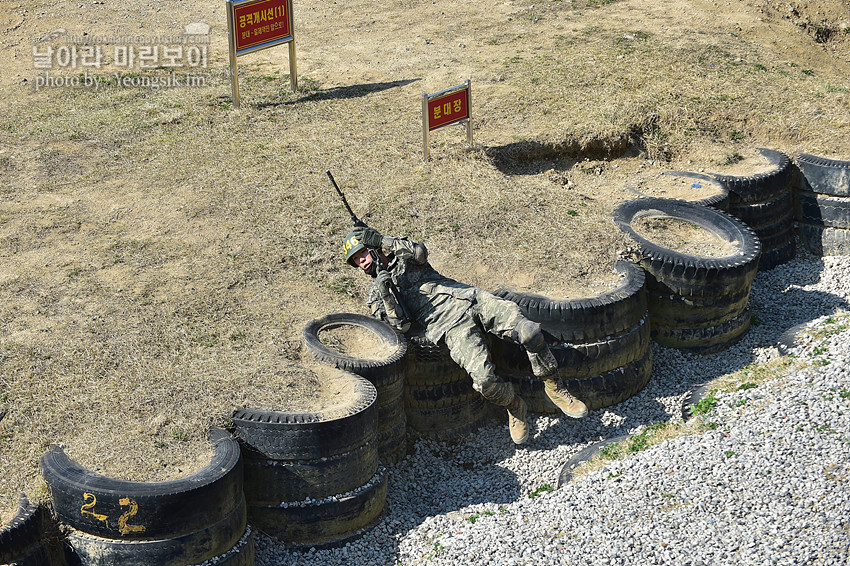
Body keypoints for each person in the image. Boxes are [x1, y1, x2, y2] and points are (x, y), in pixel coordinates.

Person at [342, 225, 588, 445]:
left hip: (473, 300)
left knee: (530, 331)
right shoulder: (376, 295)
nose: (362, 262)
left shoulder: (402, 256)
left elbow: (420, 253)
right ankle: (515, 406)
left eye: (362, 253)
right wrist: (386, 293)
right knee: (484, 382)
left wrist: (382, 239)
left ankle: (554, 386)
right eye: (356, 260)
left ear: (372, 247)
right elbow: (400, 327)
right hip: (450, 327)